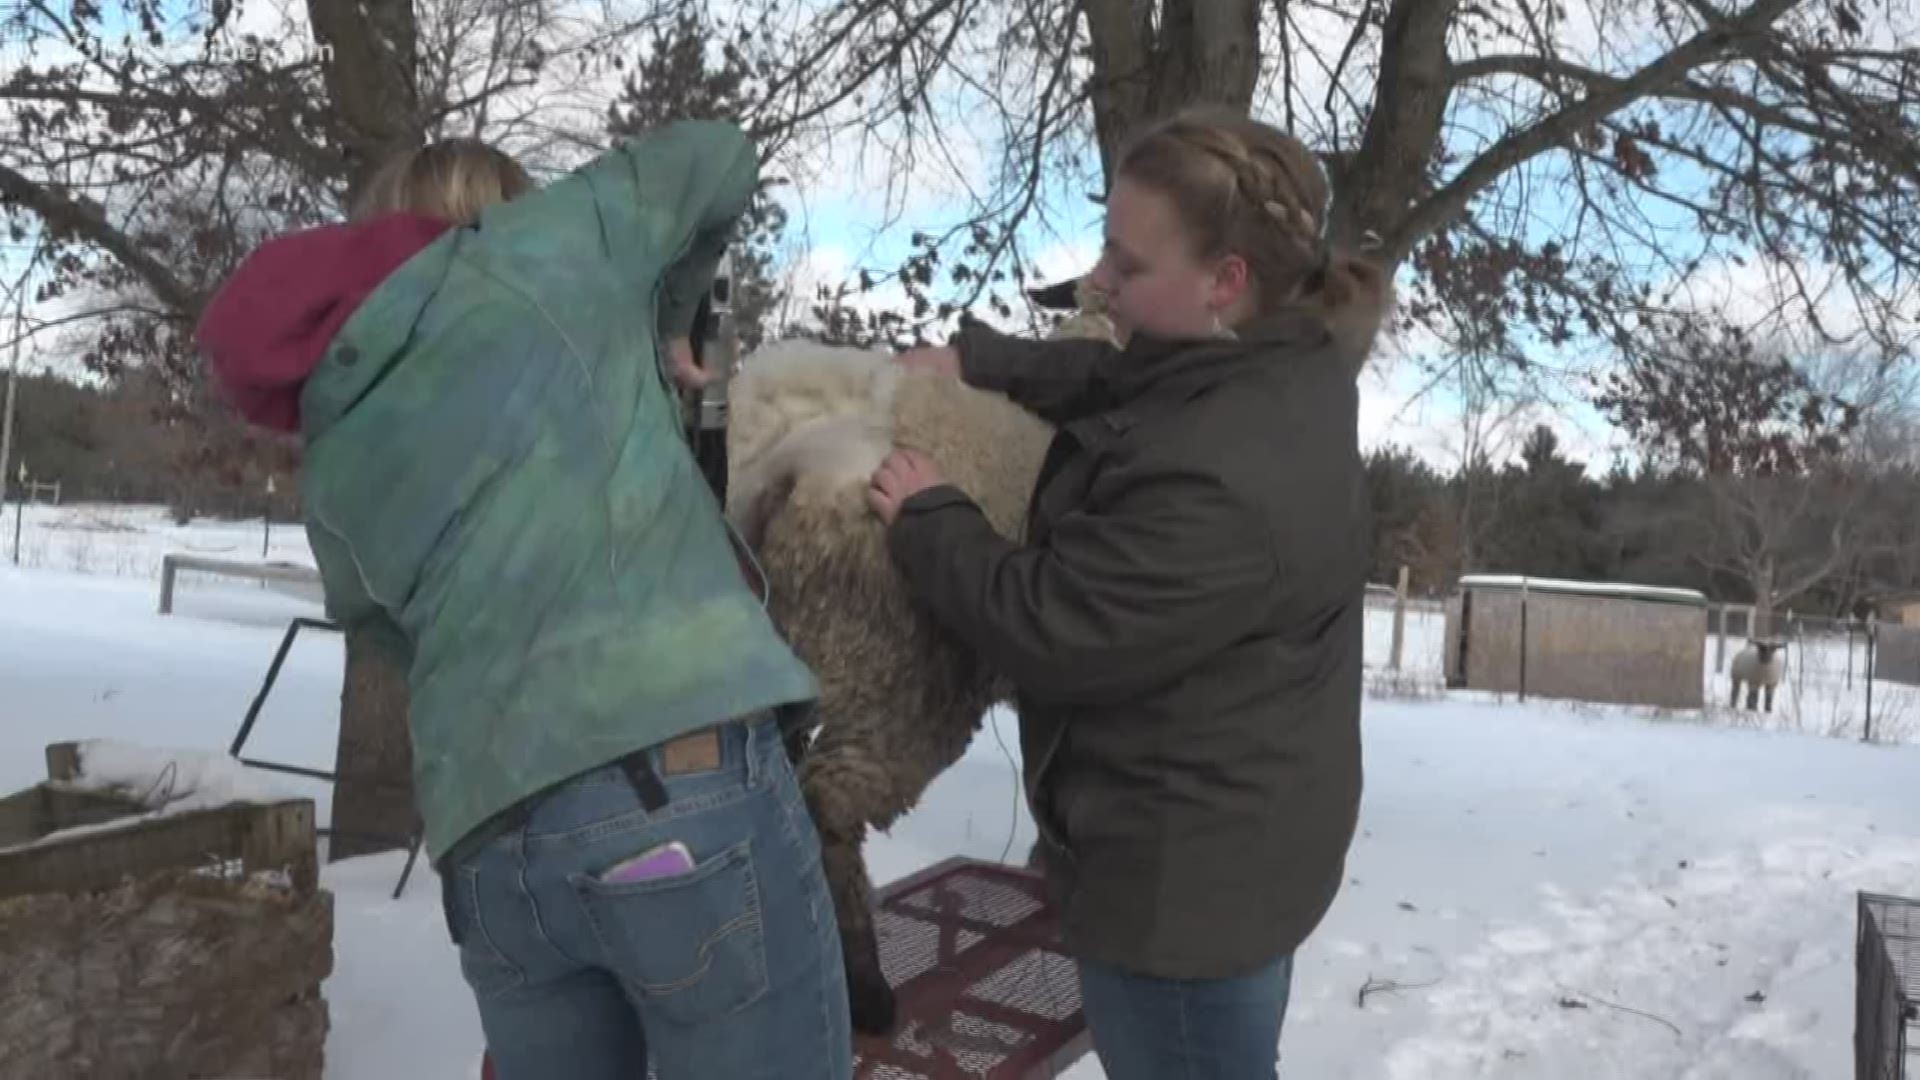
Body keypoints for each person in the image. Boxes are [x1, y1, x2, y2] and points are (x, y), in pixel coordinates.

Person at [196, 120, 852, 1080]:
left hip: (493, 856)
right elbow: (721, 158)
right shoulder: (559, 249)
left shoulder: (338, 436)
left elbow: (381, 629)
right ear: (509, 212)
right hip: (671, 783)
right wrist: (669, 320)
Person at [866, 105, 1386, 1079]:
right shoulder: (1273, 362)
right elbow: (1124, 378)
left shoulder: (1225, 476)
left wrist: (934, 515)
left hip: (1180, 908)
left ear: (1226, 281)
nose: (1099, 277)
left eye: (1128, 262)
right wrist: (983, 362)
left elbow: (1052, 624)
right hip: (1240, 837)